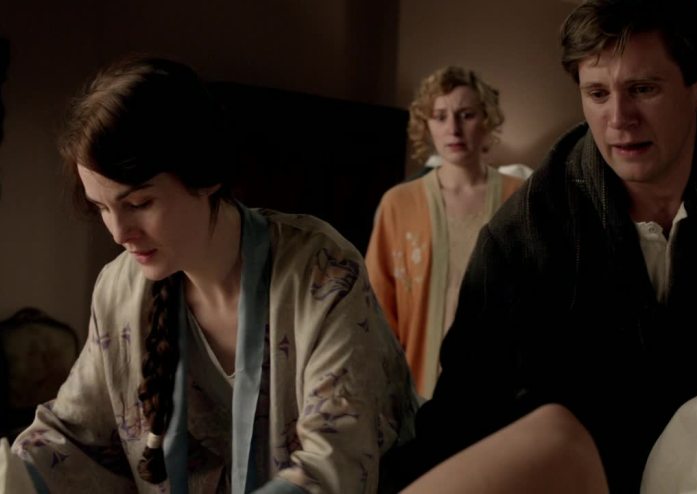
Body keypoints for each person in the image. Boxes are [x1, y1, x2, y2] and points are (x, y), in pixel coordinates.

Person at [382, 0, 697, 491]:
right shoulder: (524, 234)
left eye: (643, 89)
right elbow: (462, 408)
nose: (619, 119)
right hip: (586, 468)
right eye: (597, 93)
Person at [7, 56, 417, 493]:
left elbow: (337, 459)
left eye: (139, 203)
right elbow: (74, 434)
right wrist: (14, 475)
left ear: (205, 175)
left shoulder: (321, 270)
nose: (119, 233)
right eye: (102, 208)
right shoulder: (119, 288)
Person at [365, 67, 524, 398]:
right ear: (426, 125)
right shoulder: (399, 203)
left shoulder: (520, 198)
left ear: (487, 120)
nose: (453, 128)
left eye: (466, 115)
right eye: (440, 116)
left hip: (501, 387)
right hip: (417, 388)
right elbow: (376, 305)